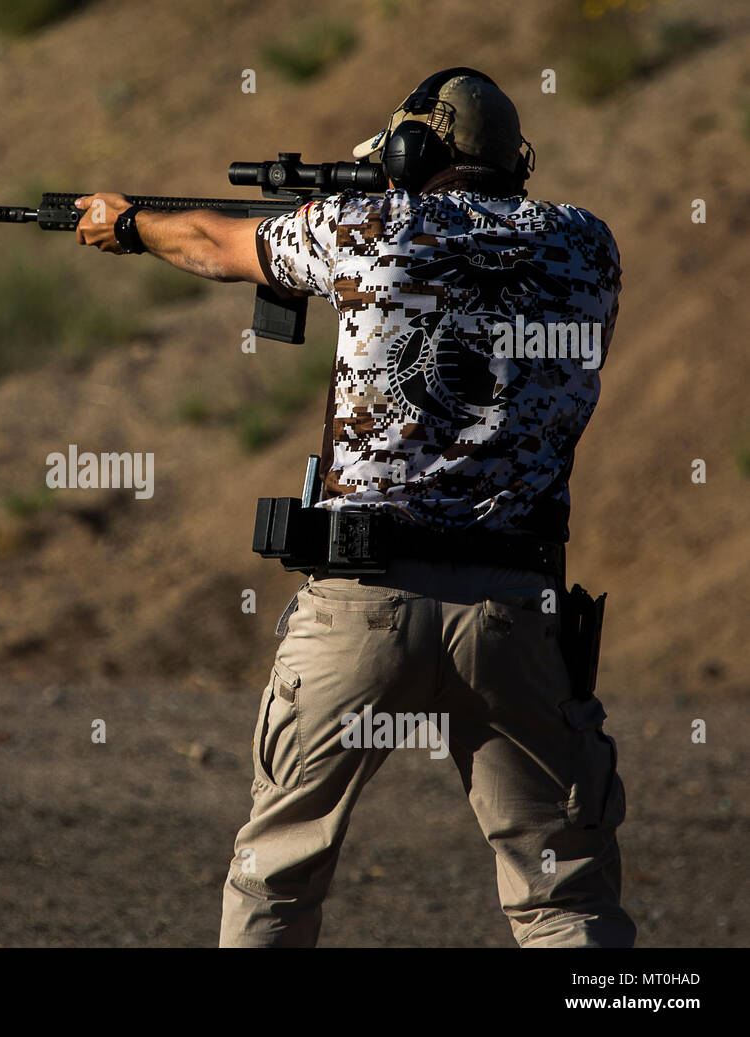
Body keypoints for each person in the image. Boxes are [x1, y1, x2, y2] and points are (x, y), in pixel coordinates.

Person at [74, 67, 635, 948]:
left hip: (360, 600)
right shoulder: (585, 245)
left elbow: (216, 243)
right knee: (565, 897)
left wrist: (130, 222)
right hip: (516, 612)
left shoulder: (364, 224)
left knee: (278, 878)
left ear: (412, 151)